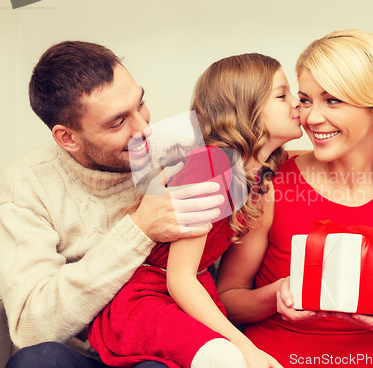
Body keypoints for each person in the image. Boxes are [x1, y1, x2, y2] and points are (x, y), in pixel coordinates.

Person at [86, 52, 373, 368]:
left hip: (187, 297)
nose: (299, 106)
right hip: (150, 298)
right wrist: (246, 348)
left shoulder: (258, 169)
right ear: (248, 110)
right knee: (226, 357)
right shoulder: (210, 167)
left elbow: (333, 151)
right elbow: (180, 279)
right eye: (283, 95)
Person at [216, 30, 373, 367]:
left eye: (333, 100)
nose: (311, 118)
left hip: (371, 357)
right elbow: (228, 298)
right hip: (278, 356)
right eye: (306, 100)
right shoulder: (272, 180)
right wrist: (278, 294)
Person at [0, 41, 230, 368]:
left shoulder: (174, 153)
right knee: (37, 361)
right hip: (83, 355)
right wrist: (139, 230)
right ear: (68, 138)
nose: (144, 129)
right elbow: (31, 328)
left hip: (161, 344)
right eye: (117, 122)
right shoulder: (25, 186)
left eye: (141, 104)